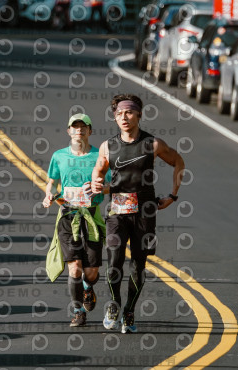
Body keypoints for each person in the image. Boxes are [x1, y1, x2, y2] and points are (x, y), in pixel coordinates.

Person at [90, 94, 185, 334]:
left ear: (139, 115)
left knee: (138, 264)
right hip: (117, 211)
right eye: (119, 114)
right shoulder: (108, 146)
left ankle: (129, 311)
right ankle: (114, 305)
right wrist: (96, 183)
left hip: (144, 211)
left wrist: (173, 195)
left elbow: (178, 162)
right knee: (114, 260)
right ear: (115, 117)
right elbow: (98, 172)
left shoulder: (152, 144)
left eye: (129, 112)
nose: (124, 117)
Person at [42, 113, 109, 327]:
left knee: (91, 272)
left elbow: (111, 184)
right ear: (68, 131)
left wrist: (100, 189)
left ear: (90, 131)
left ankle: (88, 288)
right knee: (75, 268)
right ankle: (78, 311)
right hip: (68, 216)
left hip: (91, 216)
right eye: (75, 126)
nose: (79, 130)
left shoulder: (100, 156)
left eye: (83, 126)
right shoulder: (59, 156)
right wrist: (48, 195)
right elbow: (52, 182)